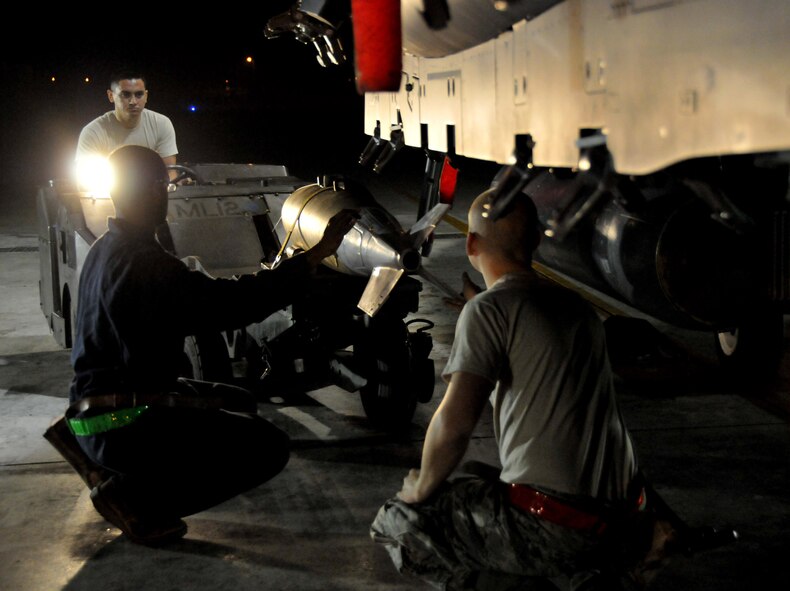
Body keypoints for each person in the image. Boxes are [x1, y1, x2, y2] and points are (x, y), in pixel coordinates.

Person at [45, 144, 360, 547]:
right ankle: (138, 500)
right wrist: (314, 256)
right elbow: (230, 305)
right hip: (123, 419)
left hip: (90, 408)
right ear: (153, 189)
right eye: (163, 182)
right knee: (267, 446)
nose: (167, 191)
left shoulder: (105, 248)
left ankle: (100, 459)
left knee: (239, 401)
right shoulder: (147, 264)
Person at [369, 189, 650, 590]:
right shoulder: (578, 309)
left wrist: (420, 488)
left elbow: (456, 424)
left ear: (470, 243)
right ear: (536, 240)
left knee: (400, 521)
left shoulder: (489, 311)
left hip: (560, 527)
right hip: (630, 519)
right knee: (476, 476)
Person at [75, 71, 178, 168]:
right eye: (125, 94)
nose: (133, 101)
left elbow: (170, 173)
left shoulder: (161, 124)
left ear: (146, 96)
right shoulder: (93, 132)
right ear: (111, 96)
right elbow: (84, 182)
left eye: (139, 94)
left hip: (153, 187)